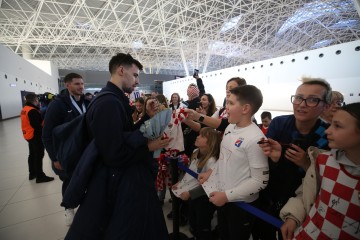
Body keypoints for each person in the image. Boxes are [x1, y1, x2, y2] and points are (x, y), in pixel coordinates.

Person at [65, 53, 170, 240]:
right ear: (121, 70)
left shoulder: (113, 99)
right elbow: (114, 154)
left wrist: (146, 117)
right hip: (116, 184)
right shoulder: (108, 103)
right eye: (135, 75)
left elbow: (123, 136)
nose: (137, 80)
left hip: (120, 179)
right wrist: (148, 146)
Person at [254, 77, 332, 240]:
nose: (302, 104)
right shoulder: (279, 123)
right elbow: (263, 161)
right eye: (298, 97)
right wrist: (274, 159)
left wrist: (306, 164)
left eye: (312, 100)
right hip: (268, 196)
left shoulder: (328, 135)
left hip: (301, 205)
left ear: (325, 105)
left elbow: (326, 181)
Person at [278, 102, 360, 240]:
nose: (328, 130)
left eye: (338, 126)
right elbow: (307, 193)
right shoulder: (323, 161)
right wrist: (293, 216)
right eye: (332, 124)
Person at [199, 85, 269, 240]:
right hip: (224, 199)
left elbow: (260, 181)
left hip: (241, 206)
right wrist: (211, 172)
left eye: (230, 103)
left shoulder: (255, 139)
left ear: (245, 108)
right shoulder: (230, 127)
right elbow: (224, 158)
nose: (226, 107)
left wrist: (227, 195)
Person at [42, 72, 90, 226]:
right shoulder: (57, 105)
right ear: (67, 85)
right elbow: (47, 134)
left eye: (82, 84)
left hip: (86, 151)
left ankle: (88, 209)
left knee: (88, 180)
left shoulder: (87, 102)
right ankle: (68, 208)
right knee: (69, 182)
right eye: (77, 84)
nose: (81, 87)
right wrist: (54, 157)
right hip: (67, 154)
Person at [172, 127, 221, 239]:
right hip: (193, 196)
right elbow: (190, 173)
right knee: (193, 221)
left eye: (202, 136)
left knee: (202, 225)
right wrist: (180, 183)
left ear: (210, 142)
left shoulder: (211, 161)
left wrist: (190, 193)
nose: (197, 136)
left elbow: (210, 185)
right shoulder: (195, 152)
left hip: (203, 199)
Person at [20, 93, 54, 183]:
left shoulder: (25, 109)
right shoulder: (32, 111)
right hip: (35, 136)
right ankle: (40, 176)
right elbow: (37, 126)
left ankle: (32, 173)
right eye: (37, 99)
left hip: (28, 135)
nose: (38, 101)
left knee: (32, 155)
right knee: (38, 155)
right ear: (35, 100)